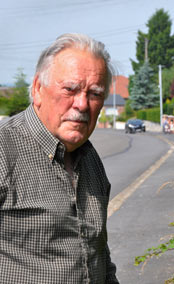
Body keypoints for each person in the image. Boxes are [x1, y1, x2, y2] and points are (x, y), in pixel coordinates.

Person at [0, 33, 119, 283]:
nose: (82, 104)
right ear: (37, 89)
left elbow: (98, 254)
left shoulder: (90, 158)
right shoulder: (3, 150)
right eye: (70, 89)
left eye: (95, 94)